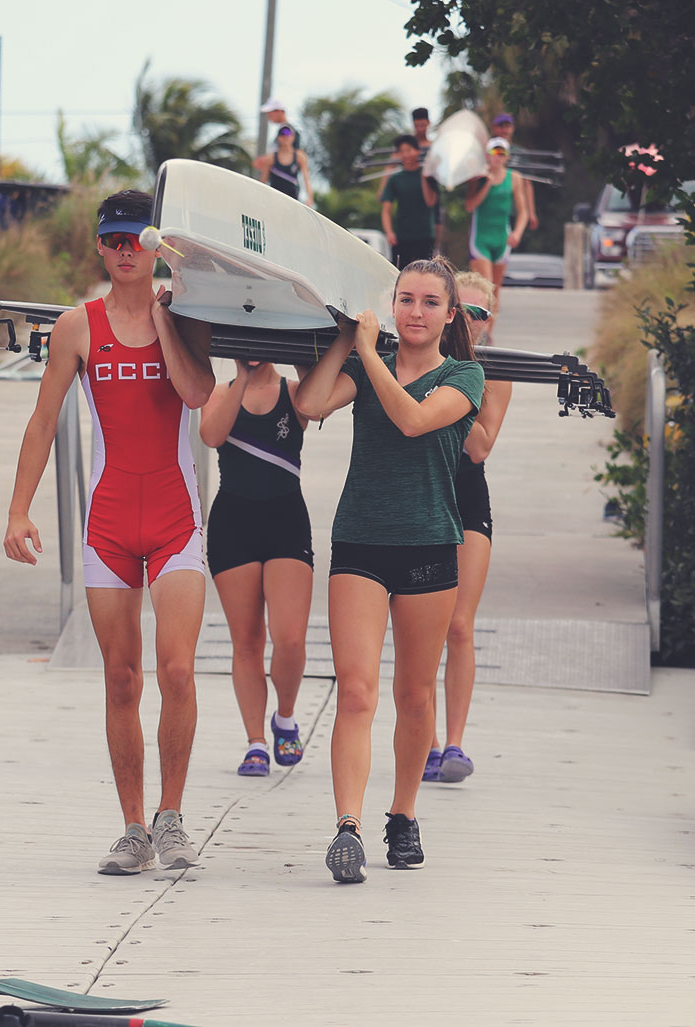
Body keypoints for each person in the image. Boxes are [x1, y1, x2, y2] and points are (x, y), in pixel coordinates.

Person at [3, 189, 215, 876]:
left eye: (137, 241)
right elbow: (42, 422)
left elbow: (197, 394)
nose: (126, 251)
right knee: (122, 679)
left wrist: (163, 319)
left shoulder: (183, 315)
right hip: (111, 523)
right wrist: (18, 509)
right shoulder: (77, 326)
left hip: (177, 518)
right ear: (100, 246)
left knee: (177, 669)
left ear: (155, 247)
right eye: (114, 241)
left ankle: (173, 815)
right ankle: (133, 827)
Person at [294, 256, 485, 883]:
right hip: (361, 543)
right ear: (392, 303)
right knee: (355, 691)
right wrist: (350, 339)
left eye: (431, 303)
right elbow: (310, 404)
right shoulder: (361, 360)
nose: (416, 313)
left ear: (450, 314)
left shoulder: (464, 376)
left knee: (413, 695)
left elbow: (412, 419)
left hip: (430, 547)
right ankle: (347, 826)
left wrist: (370, 353)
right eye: (406, 300)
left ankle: (401, 815)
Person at [199, 360, 315, 777]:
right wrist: (242, 379)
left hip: (286, 521)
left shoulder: (297, 391)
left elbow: (321, 405)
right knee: (246, 639)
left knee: (290, 638)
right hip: (233, 524)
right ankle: (256, 743)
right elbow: (211, 435)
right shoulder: (219, 392)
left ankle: (285, 717)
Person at [423, 270, 512, 784]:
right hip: (423, 493)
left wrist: (455, 388)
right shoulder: (421, 356)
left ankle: (455, 742)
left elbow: (479, 445)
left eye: (480, 314)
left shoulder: (495, 369)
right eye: (464, 310)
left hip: (468, 496)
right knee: (425, 630)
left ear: (487, 320)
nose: (471, 321)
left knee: (459, 625)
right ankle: (428, 741)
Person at [465, 136, 529, 306]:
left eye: (502, 153)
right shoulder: (478, 177)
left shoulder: (514, 178)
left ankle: (489, 331)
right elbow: (470, 206)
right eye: (495, 152)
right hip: (481, 240)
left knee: (496, 289)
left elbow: (523, 212)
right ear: (487, 155)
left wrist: (517, 233)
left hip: (502, 239)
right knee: (485, 286)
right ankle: (482, 331)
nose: (498, 156)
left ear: (507, 157)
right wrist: (486, 184)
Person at [381, 135, 439, 268]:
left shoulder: (429, 175)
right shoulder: (395, 179)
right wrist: (389, 232)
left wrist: (425, 177)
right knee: (400, 273)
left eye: (408, 150)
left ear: (417, 151)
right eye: (401, 151)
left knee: (425, 272)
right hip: (402, 237)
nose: (405, 155)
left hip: (425, 236)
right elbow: (386, 209)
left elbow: (431, 202)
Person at [491, 113, 539, 232]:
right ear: (494, 128)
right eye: (501, 126)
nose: (504, 130)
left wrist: (531, 212)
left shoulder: (520, 152)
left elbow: (527, 183)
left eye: (507, 126)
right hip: (493, 207)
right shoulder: (488, 150)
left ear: (512, 128)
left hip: (514, 210)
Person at [256, 125, 314, 205]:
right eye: (282, 134)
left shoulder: (300, 157)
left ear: (293, 137)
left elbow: (306, 179)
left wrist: (310, 198)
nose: (285, 137)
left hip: (293, 199)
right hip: (274, 198)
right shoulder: (270, 158)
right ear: (278, 138)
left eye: (288, 133)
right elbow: (263, 181)